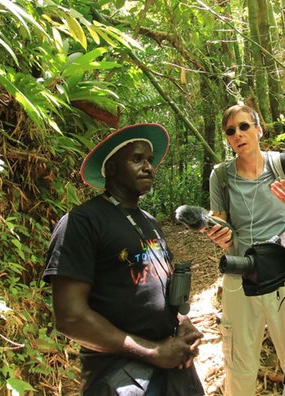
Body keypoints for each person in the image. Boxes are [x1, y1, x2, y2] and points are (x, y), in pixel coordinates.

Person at [43, 123, 205, 396]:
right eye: (137, 159)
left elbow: (159, 285)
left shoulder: (150, 222)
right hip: (120, 374)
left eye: (150, 161)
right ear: (111, 169)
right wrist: (152, 351)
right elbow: (70, 317)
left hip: (172, 367)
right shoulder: (82, 222)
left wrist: (182, 322)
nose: (148, 167)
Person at [203, 104, 285, 395]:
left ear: (259, 130)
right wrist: (219, 234)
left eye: (244, 126)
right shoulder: (221, 175)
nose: (238, 134)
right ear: (228, 139)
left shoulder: (284, 164)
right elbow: (221, 222)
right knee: (238, 362)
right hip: (242, 274)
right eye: (231, 131)